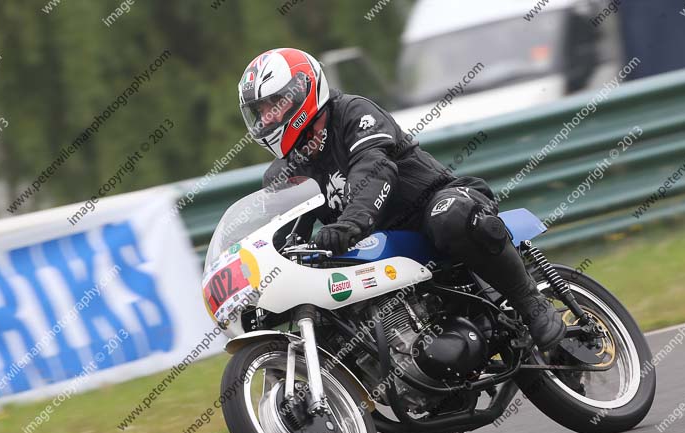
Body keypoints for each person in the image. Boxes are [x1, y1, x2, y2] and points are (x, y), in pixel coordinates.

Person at [238, 48, 565, 351]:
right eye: (260, 111)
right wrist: (259, 291)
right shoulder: (282, 173)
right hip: (374, 248)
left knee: (448, 216)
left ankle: (530, 303)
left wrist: (350, 223)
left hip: (433, 205)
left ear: (301, 92)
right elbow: (282, 236)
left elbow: (375, 168)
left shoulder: (352, 113)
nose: (266, 118)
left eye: (273, 104)